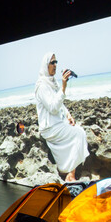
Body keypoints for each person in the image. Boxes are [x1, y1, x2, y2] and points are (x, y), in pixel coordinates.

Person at [34, 53, 89, 182]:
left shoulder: (52, 82)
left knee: (77, 128)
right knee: (78, 133)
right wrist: (64, 86)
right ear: (45, 65)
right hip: (50, 127)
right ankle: (70, 174)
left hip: (57, 122)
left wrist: (68, 115)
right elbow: (53, 107)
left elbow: (61, 104)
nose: (55, 65)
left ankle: (69, 171)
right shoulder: (42, 86)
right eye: (52, 62)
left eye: (56, 62)